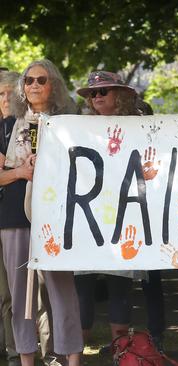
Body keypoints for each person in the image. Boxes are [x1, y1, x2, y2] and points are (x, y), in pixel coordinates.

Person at [1, 59, 83, 366]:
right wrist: (22, 171)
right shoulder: (7, 125)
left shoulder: (69, 125)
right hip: (14, 215)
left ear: (54, 86)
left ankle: (72, 359)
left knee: (62, 291)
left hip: (56, 214)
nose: (34, 85)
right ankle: (26, 360)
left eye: (41, 80)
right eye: (28, 80)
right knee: (19, 295)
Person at [74, 71, 141, 346]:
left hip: (125, 216)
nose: (97, 97)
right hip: (87, 216)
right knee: (82, 287)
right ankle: (76, 357)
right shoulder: (77, 129)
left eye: (103, 92)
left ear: (119, 95)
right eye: (93, 93)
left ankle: (121, 353)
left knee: (119, 287)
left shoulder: (139, 127)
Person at [0, 71, 20, 366]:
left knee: (21, 294)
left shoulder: (28, 126)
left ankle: (20, 350)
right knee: (3, 294)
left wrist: (9, 170)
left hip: (17, 218)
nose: (5, 100)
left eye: (8, 94)